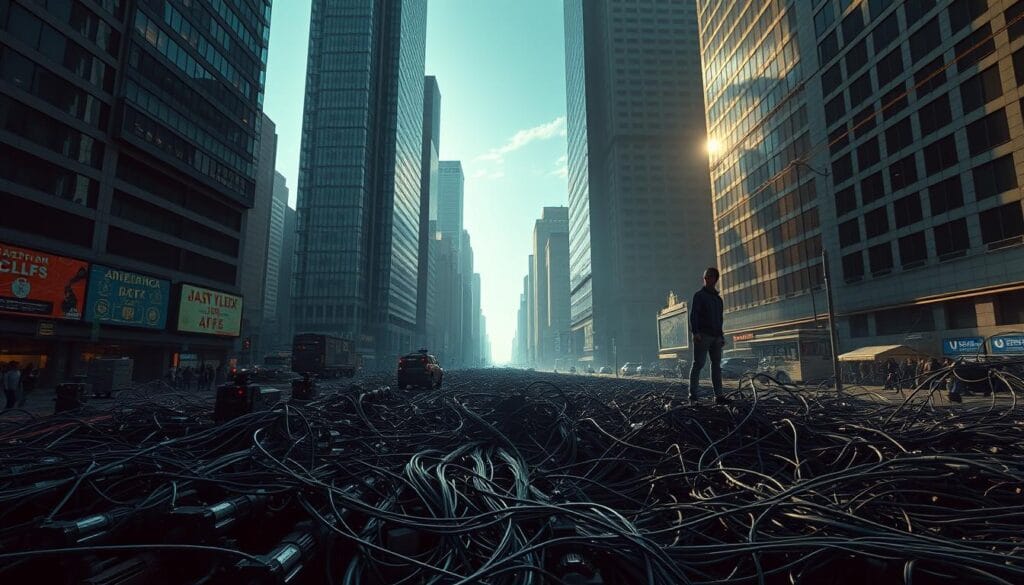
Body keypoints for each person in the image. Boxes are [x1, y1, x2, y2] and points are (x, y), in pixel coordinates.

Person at [688, 267, 732, 405]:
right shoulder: (699, 296)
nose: (706, 279)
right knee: (698, 364)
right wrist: (696, 333)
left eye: (709, 276)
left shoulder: (718, 300)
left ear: (715, 279)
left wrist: (721, 336)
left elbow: (719, 319)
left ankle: (719, 396)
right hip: (703, 336)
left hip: (716, 337)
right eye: (705, 276)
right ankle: (693, 395)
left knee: (716, 366)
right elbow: (694, 315)